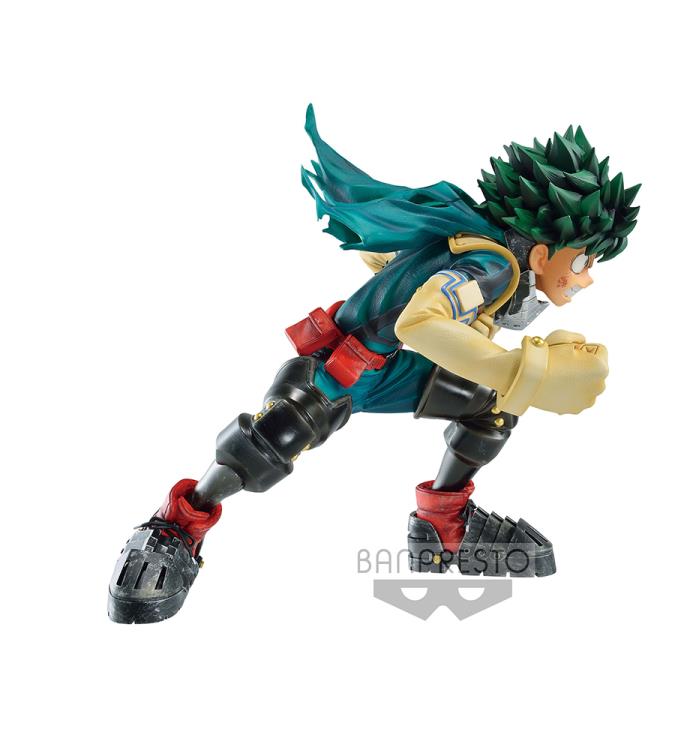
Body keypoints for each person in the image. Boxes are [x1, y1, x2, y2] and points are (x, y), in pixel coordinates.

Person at [108, 106, 640, 623]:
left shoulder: (478, 242)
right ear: (542, 253)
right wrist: (523, 372)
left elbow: (394, 269)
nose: (586, 278)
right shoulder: (494, 266)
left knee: (490, 403)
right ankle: (174, 528)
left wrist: (498, 369)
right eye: (582, 261)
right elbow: (419, 324)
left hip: (383, 370)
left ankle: (444, 527)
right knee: (270, 443)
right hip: (335, 370)